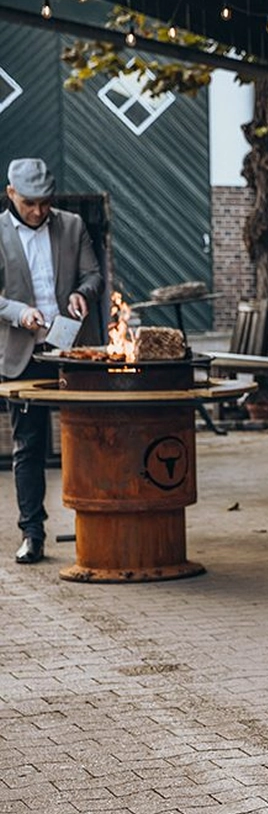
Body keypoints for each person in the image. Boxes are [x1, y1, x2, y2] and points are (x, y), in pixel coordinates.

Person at [0, 158, 102, 564]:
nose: (39, 211)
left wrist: (84, 294)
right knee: (29, 445)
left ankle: (94, 524)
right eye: (29, 203)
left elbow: (93, 276)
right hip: (23, 353)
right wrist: (17, 313)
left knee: (90, 439)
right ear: (11, 194)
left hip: (72, 350)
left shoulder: (73, 225)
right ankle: (32, 533)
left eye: (45, 202)